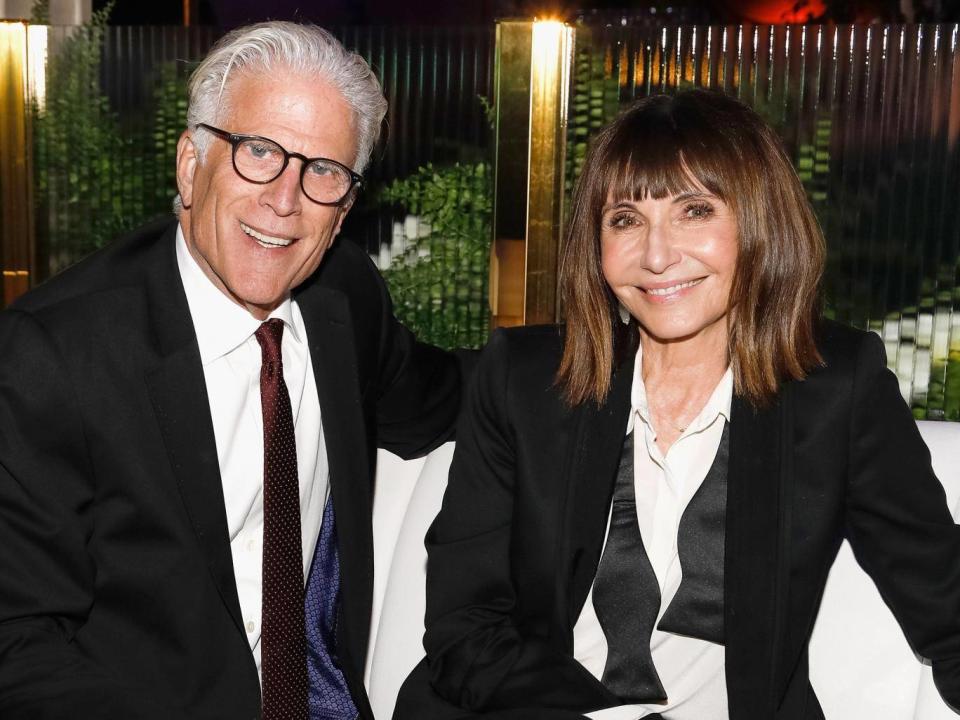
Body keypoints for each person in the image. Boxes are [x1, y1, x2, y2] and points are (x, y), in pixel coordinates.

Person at [395, 90, 960, 720]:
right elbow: (464, 624)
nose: (658, 255)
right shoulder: (525, 381)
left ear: (759, 223)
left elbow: (945, 599)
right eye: (626, 220)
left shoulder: (835, 389)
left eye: (695, 211)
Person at [0, 21, 464, 720]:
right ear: (191, 164)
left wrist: (631, 359)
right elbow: (19, 645)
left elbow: (445, 396)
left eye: (324, 172)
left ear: (343, 212)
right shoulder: (54, 355)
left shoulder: (346, 304)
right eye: (258, 152)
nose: (286, 199)